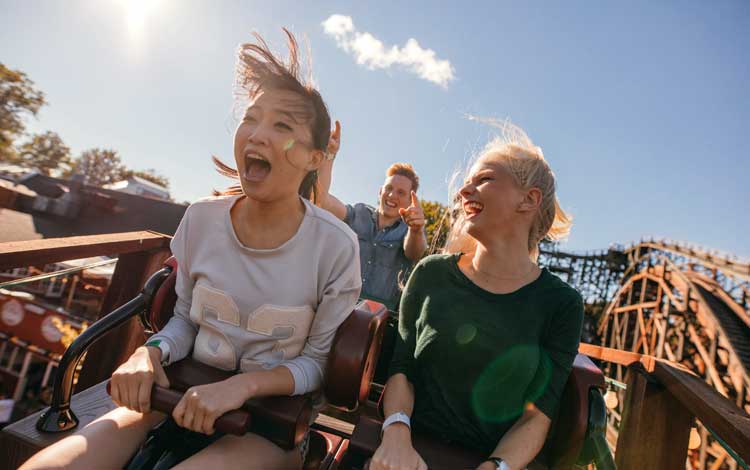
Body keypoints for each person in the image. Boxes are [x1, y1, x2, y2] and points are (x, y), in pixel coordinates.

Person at [21, 29, 361, 470]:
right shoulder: (201, 219)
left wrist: (241, 388)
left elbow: (315, 365)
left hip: (268, 425)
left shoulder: (336, 247)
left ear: (316, 158)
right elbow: (185, 321)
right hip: (177, 396)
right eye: (252, 118)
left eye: (282, 125)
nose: (257, 134)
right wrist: (150, 353)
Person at [371, 122, 583, 470]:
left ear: (528, 199)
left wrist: (494, 467)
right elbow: (402, 369)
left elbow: (537, 416)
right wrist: (396, 436)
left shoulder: (562, 305)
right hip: (405, 451)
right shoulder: (432, 273)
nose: (463, 191)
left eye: (483, 179)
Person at [318, 125, 427, 310]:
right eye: (389, 189)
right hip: (335, 305)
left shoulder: (408, 231)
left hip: (377, 319)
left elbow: (415, 252)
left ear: (410, 200)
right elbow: (322, 200)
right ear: (380, 191)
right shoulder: (358, 213)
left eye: (401, 193)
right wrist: (329, 155)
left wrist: (416, 230)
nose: (392, 195)